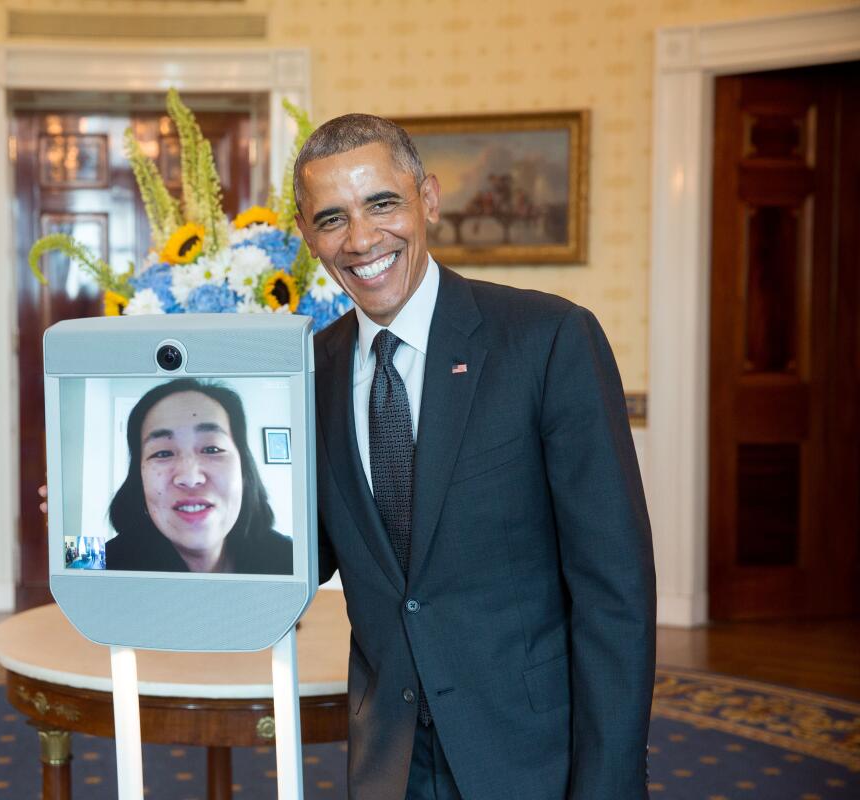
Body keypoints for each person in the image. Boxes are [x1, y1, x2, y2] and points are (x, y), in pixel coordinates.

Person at [294, 114, 655, 799]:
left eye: (382, 203)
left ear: (428, 199)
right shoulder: (309, 371)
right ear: (308, 233)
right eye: (332, 217)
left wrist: (608, 785)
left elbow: (616, 593)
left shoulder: (548, 341)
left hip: (532, 757)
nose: (362, 239)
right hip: (389, 762)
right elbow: (301, 553)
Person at [104, 378, 293, 575]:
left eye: (212, 449)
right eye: (162, 453)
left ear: (244, 469)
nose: (190, 477)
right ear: (138, 479)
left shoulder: (291, 558)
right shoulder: (90, 559)